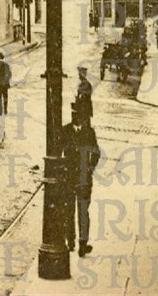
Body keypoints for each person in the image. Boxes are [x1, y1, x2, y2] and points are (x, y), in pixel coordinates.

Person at [62, 100, 101, 257]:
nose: (75, 117)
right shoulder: (65, 131)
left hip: (84, 178)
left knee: (83, 211)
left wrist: (91, 167)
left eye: (77, 115)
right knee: (69, 210)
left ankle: (83, 244)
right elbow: (59, 150)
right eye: (73, 114)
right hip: (69, 176)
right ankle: (70, 241)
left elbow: (96, 152)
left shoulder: (89, 133)